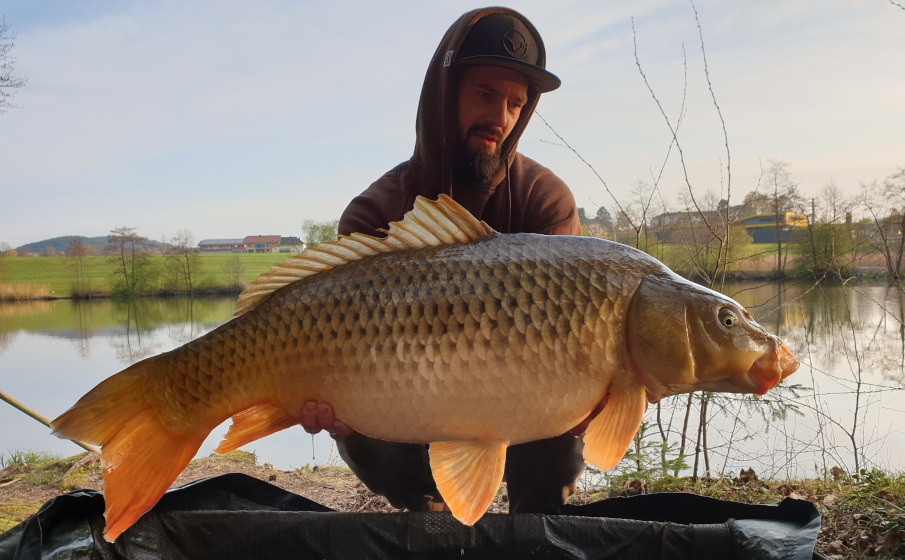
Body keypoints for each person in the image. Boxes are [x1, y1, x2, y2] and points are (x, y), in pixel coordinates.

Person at [301, 6, 594, 515]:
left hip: (525, 388)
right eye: (484, 94)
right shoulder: (375, 211)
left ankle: (537, 526)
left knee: (564, 413)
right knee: (359, 426)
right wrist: (328, 403)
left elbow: (578, 333)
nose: (500, 117)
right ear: (443, 95)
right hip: (404, 390)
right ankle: (431, 519)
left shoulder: (544, 200)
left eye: (515, 103)